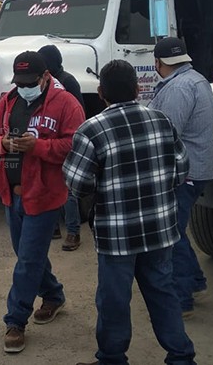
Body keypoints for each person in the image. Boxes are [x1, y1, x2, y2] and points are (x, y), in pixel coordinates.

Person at [63, 60, 196, 365]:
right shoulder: (161, 120)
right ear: (138, 90)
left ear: (100, 92)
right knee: (163, 293)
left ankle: (112, 358)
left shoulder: (91, 130)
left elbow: (78, 184)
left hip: (117, 236)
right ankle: (181, 357)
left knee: (114, 300)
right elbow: (181, 170)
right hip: (160, 230)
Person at [0, 51, 84, 353]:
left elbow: (75, 144)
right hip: (11, 193)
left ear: (45, 77)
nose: (24, 86)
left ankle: (16, 321)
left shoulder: (66, 104)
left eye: (30, 81)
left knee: (27, 260)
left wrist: (38, 147)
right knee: (29, 255)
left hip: (45, 196)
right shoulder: (9, 101)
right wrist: (3, 143)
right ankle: (53, 294)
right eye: (20, 81)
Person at [148, 37, 213, 318]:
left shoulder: (178, 88)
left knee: (170, 235)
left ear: (158, 63)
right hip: (194, 168)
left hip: (183, 172)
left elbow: (166, 134)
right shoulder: (194, 79)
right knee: (176, 231)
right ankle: (195, 282)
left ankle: (181, 299)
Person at [39, 44, 86, 251]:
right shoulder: (45, 83)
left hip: (68, 141)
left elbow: (78, 112)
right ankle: (55, 228)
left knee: (69, 191)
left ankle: (73, 232)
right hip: (50, 142)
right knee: (51, 185)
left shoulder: (67, 81)